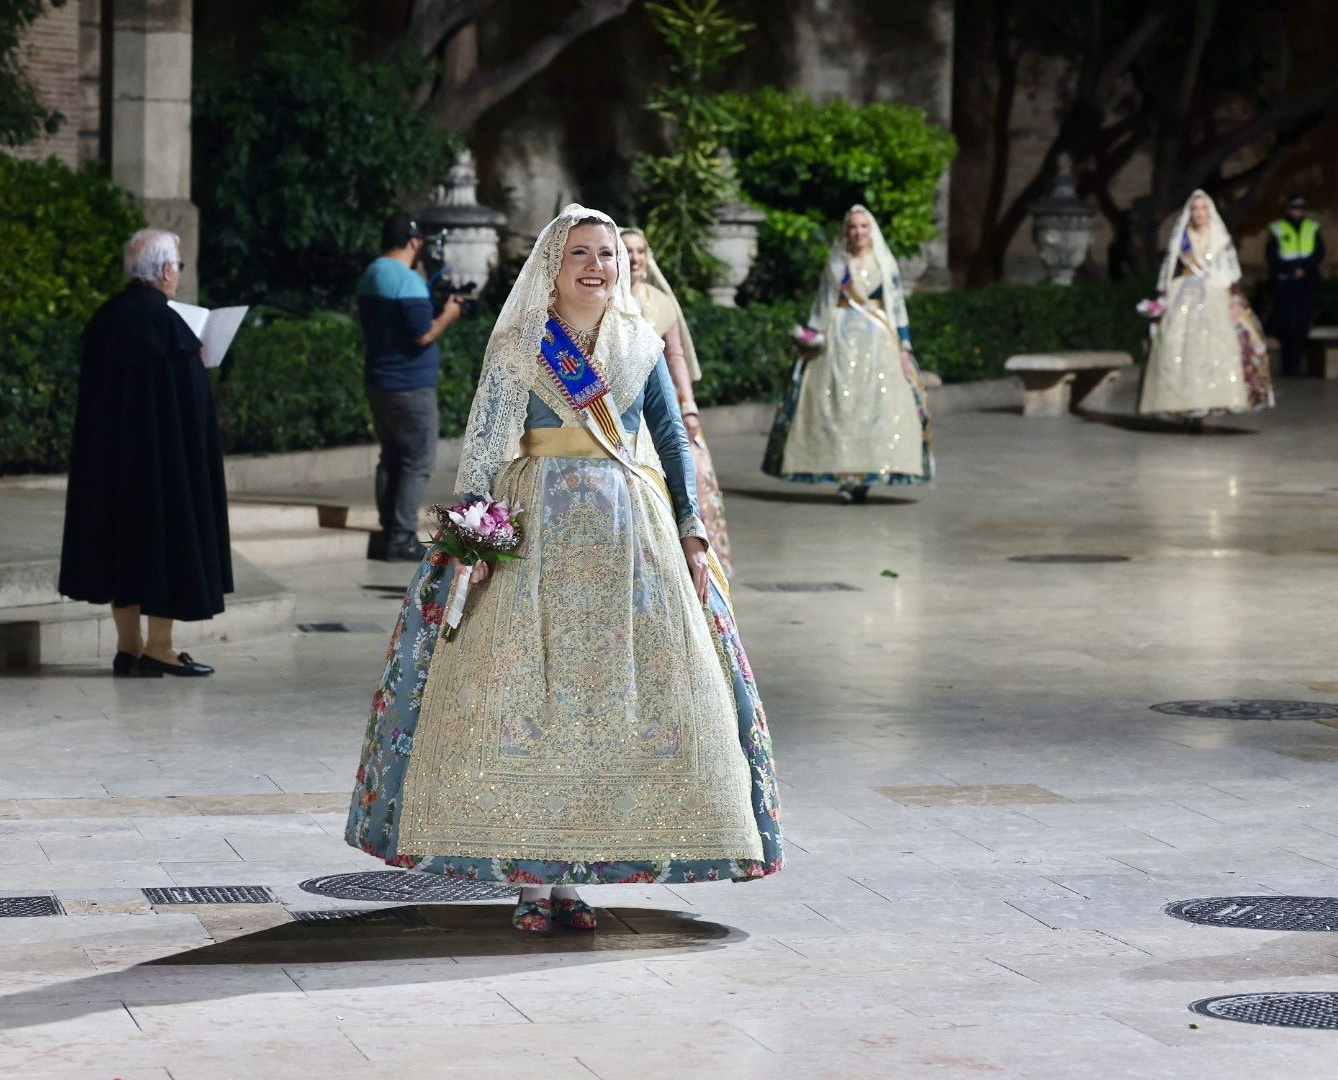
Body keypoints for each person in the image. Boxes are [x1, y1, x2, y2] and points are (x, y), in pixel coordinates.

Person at [345, 205, 782, 933]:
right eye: (580, 252)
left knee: (611, 706)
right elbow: (485, 445)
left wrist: (691, 530)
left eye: (606, 254)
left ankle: (579, 881)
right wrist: (473, 544)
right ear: (553, 262)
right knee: (532, 703)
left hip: (627, 537)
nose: (595, 266)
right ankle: (529, 879)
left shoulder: (640, 342)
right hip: (533, 538)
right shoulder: (520, 344)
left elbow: (670, 439)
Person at [58, 228, 232, 678]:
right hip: (161, 464)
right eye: (177, 266)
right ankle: (159, 647)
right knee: (162, 544)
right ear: (165, 270)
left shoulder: (106, 318)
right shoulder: (168, 325)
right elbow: (189, 409)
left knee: (121, 545)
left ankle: (127, 647)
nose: (177, 274)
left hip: (111, 463)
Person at [762, 205, 932, 503]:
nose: (858, 232)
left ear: (871, 230)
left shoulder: (884, 263)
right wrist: (811, 338)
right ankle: (845, 477)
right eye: (853, 226)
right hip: (838, 341)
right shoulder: (837, 264)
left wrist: (904, 346)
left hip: (879, 343)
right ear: (846, 231)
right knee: (839, 408)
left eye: (864, 226)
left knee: (876, 408)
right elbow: (823, 304)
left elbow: (897, 307)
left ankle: (867, 476)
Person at [621, 228, 733, 576]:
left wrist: (688, 407)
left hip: (659, 407)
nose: (636, 258)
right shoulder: (603, 302)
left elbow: (676, 357)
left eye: (641, 251)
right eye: (627, 251)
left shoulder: (661, 303)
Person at [357, 213, 464, 561]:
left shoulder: (371, 273)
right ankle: (402, 537)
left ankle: (390, 530)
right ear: (414, 243)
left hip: (379, 381)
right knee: (417, 461)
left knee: (391, 457)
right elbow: (423, 333)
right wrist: (449, 314)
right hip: (410, 385)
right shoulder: (407, 281)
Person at [1138, 190, 1273, 429]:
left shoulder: (1219, 237)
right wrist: (1162, 300)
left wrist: (1234, 303)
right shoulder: (1182, 237)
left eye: (1203, 208)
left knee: (1213, 350)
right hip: (1184, 296)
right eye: (1195, 208)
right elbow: (1171, 269)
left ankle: (1204, 407)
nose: (1199, 213)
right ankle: (1185, 408)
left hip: (1214, 296)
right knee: (1177, 347)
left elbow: (1229, 274)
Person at [1266, 195, 1324, 377]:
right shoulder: (1277, 228)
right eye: (1294, 208)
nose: (1298, 212)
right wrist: (1291, 270)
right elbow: (1271, 256)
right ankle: (1287, 363)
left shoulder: (1312, 228)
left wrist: (1304, 269)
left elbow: (1319, 253)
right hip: (1285, 281)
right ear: (1288, 210)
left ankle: (1295, 365)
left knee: (1301, 324)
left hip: (1306, 282)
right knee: (1284, 322)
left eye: (1301, 208)